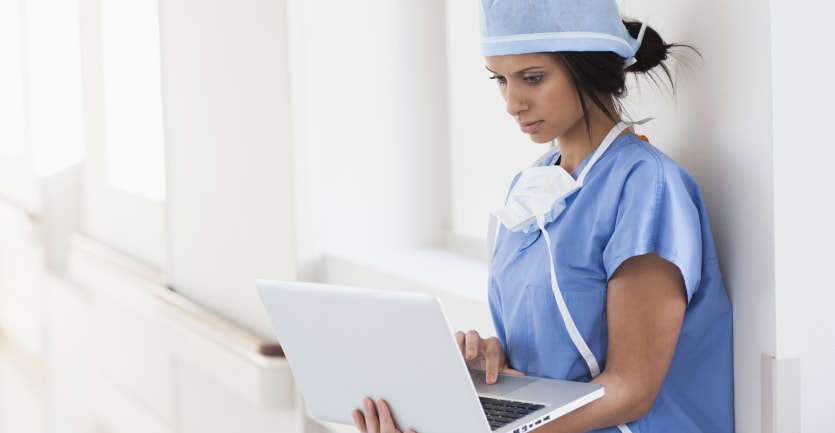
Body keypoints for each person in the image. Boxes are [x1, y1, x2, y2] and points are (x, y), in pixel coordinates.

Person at [353, 0, 734, 432]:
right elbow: (551, 353)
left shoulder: (646, 188)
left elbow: (631, 390)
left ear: (586, 66)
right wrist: (493, 365)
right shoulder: (530, 186)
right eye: (500, 79)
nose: (512, 103)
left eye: (532, 78)